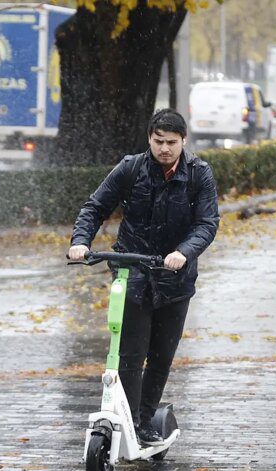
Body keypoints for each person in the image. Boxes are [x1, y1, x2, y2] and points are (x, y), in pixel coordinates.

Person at [68, 109, 220, 445]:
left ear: (183, 141)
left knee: (162, 356)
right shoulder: (131, 168)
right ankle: (129, 418)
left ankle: (146, 419)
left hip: (175, 279)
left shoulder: (199, 174)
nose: (164, 148)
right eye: (158, 141)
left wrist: (184, 252)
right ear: (149, 139)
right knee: (130, 355)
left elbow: (207, 223)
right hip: (132, 272)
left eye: (171, 142)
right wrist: (80, 241)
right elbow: (95, 207)